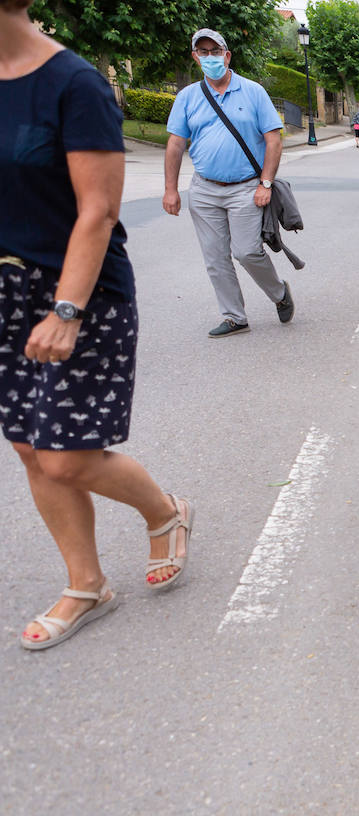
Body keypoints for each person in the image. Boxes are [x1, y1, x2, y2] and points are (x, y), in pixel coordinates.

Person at [1, 0, 193, 649]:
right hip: (6, 292)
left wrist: (65, 310)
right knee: (31, 446)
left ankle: (164, 513)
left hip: (80, 292)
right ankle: (86, 584)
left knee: (64, 454)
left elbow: (99, 210)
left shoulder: (74, 84)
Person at [163, 28, 295, 339]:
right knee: (214, 257)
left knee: (247, 252)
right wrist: (170, 189)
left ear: (227, 55)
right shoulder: (187, 97)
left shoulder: (253, 92)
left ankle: (279, 293)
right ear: (196, 58)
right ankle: (235, 317)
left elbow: (273, 141)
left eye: (215, 51)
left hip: (246, 188)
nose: (210, 57)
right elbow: (175, 144)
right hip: (205, 189)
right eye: (203, 52)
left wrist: (265, 183)